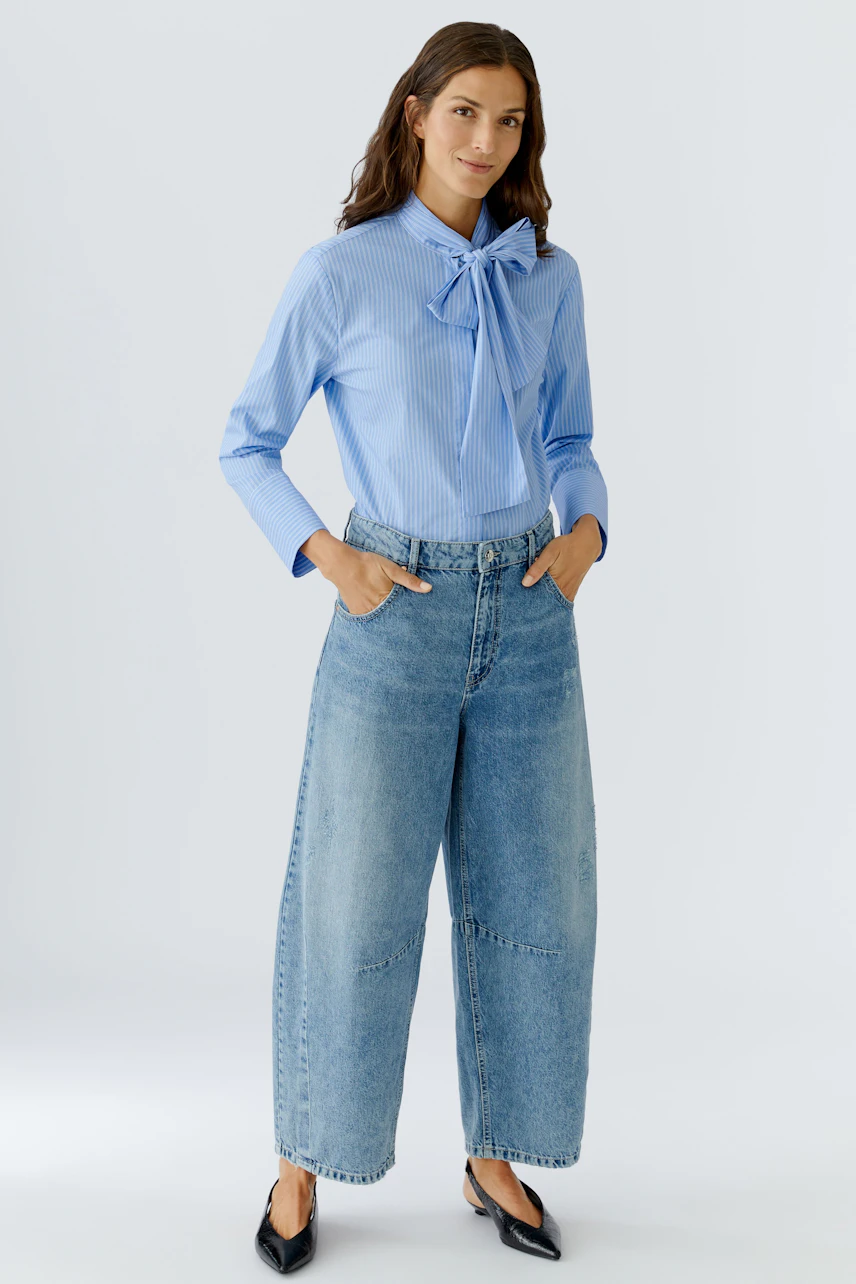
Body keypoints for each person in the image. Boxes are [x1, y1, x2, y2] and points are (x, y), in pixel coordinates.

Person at [219, 20, 608, 1273]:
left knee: (537, 899)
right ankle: (300, 1163)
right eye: (464, 113)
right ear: (414, 115)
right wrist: (330, 559)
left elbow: (572, 438)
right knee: (351, 900)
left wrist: (586, 532)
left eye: (510, 120)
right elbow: (246, 440)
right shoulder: (342, 273)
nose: (486, 140)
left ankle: (494, 1155)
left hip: (529, 615)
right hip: (393, 610)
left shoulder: (548, 276)